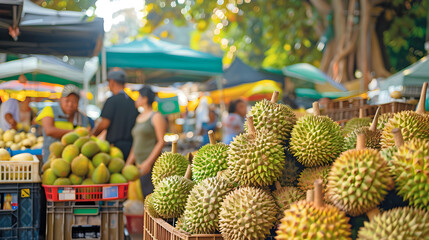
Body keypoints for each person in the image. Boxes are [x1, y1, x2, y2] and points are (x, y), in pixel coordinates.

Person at [126, 86, 166, 198]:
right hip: (139, 165)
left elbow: (161, 141)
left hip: (152, 165)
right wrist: (128, 163)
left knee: (151, 198)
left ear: (145, 99)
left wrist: (148, 162)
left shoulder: (156, 116)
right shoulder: (139, 117)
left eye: (138, 97)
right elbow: (136, 143)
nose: (136, 100)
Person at [92, 68, 139, 160]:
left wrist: (93, 135)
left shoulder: (111, 100)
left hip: (114, 148)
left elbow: (104, 123)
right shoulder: (133, 102)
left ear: (112, 82)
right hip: (130, 148)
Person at [35, 85, 89, 162]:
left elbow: (86, 136)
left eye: (74, 101)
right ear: (61, 99)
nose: (70, 104)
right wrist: (76, 132)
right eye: (67, 100)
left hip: (74, 162)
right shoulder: (49, 110)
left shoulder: (82, 117)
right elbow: (49, 130)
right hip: (51, 160)